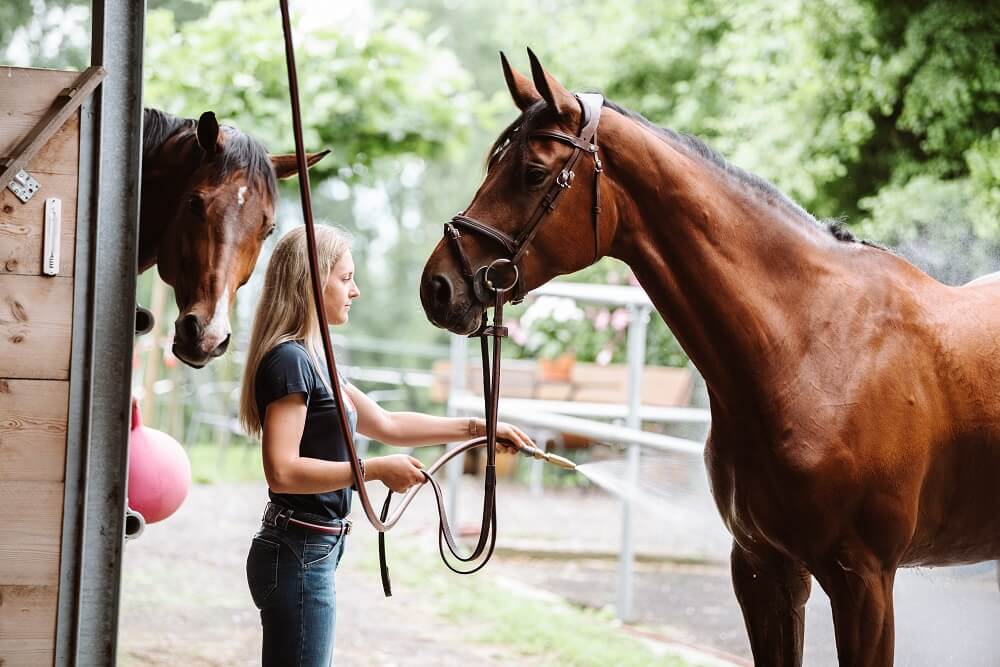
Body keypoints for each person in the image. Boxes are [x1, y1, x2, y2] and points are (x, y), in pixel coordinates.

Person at [238, 225, 535, 667]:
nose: (355, 291)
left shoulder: (316, 359)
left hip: (310, 549)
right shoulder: (290, 361)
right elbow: (281, 471)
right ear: (312, 280)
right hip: (298, 550)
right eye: (345, 278)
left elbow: (390, 424)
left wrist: (480, 428)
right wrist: (372, 471)